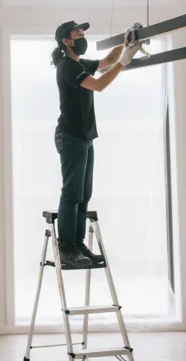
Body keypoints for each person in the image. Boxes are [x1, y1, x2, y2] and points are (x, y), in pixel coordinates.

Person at [51, 20, 144, 269]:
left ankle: (78, 244)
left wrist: (126, 42)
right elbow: (100, 84)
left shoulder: (80, 63)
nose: (82, 37)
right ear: (66, 41)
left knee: (84, 196)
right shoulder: (67, 67)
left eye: (83, 33)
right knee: (72, 195)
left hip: (84, 136)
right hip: (70, 136)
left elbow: (105, 62)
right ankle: (67, 248)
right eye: (77, 34)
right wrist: (124, 60)